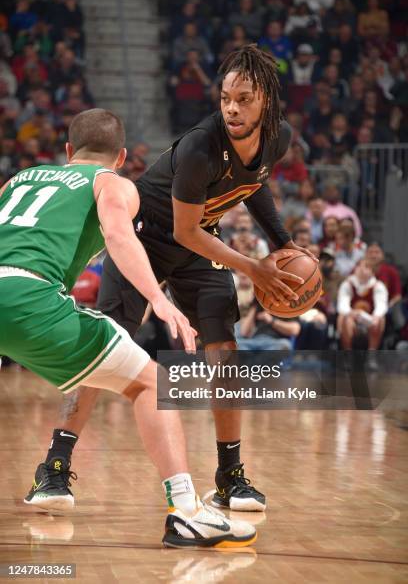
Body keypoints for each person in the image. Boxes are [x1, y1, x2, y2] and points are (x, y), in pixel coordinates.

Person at [26, 45, 316, 515]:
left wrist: (282, 243)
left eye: (243, 99)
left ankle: (229, 476)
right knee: (107, 344)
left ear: (266, 99)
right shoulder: (203, 144)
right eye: (225, 98)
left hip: (203, 243)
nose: (232, 108)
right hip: (148, 236)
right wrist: (253, 266)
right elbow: (185, 231)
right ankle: (54, 466)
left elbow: (255, 182)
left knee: (226, 353)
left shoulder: (278, 137)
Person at [0, 108, 257, 548]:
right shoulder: (111, 183)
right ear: (120, 157)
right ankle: (187, 512)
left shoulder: (20, 179)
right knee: (151, 382)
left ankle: (54, 471)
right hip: (30, 296)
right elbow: (120, 236)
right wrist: (158, 300)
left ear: (67, 151)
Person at [337, 259, 388, 367]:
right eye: (359, 266)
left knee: (381, 319)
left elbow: (381, 305)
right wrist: (351, 313)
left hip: (370, 322)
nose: (361, 269)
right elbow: (342, 304)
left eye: (366, 267)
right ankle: (348, 356)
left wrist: (376, 316)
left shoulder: (378, 286)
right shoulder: (348, 284)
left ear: (372, 272)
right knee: (344, 317)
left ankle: (371, 356)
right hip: (352, 322)